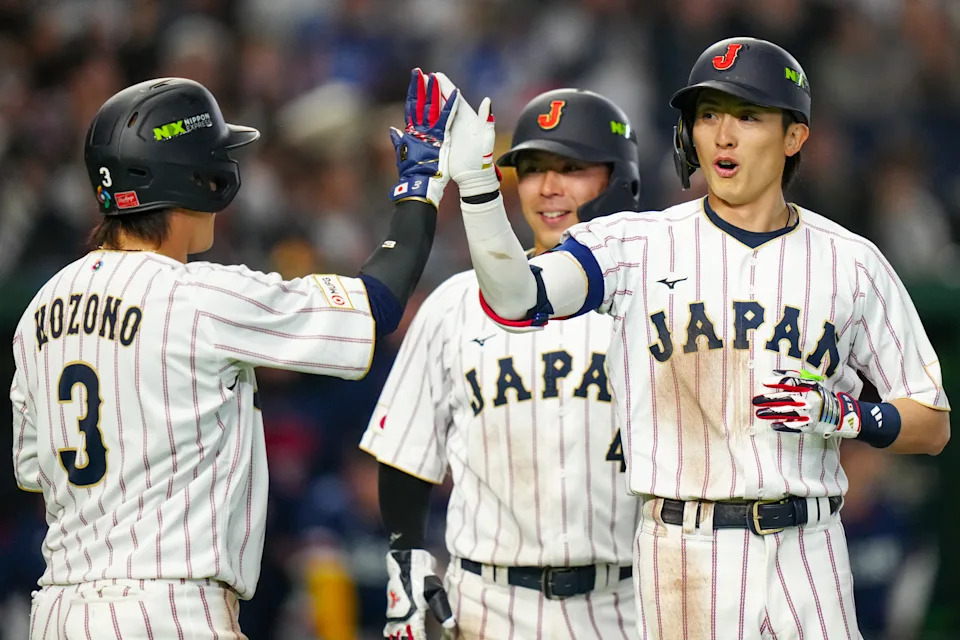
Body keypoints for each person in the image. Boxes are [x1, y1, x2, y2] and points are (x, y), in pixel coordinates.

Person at [440, 37, 951, 639]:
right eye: (708, 114)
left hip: (810, 542)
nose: (723, 135)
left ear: (794, 136)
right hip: (685, 549)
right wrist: (476, 190)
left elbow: (933, 423)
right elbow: (515, 295)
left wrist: (843, 413)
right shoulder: (634, 244)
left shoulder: (851, 261)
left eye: (747, 116)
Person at [10, 69, 458, 639]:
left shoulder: (39, 309)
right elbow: (375, 310)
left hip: (58, 612)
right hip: (170, 609)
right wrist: (419, 189)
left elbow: (33, 471)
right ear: (202, 178)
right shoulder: (198, 295)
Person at [359, 84, 643, 640]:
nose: (548, 187)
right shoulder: (456, 304)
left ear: (619, 179)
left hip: (631, 603)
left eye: (573, 167)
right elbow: (406, 455)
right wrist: (406, 565)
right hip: (491, 604)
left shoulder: (657, 297)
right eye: (532, 168)